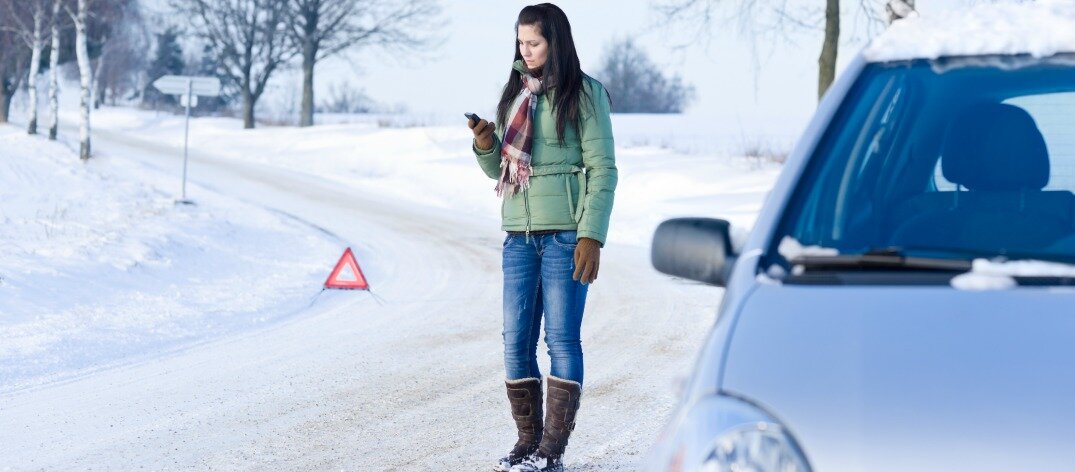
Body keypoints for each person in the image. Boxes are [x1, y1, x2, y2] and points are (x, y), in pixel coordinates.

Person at [467, 3, 617, 471]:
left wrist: (591, 235)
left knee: (561, 340)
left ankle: (551, 452)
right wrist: (486, 144)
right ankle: (526, 443)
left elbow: (603, 169)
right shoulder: (516, 92)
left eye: (533, 42)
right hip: (519, 235)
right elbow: (503, 169)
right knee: (515, 342)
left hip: (565, 235)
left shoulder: (586, 94)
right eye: (520, 42)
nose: (525, 51)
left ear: (556, 41)